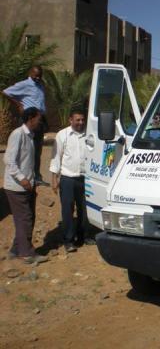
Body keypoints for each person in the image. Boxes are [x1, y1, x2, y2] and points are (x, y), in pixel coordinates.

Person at [3, 107, 49, 265]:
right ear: (30, 118)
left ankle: (16, 249)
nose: (40, 122)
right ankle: (26, 253)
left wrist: (32, 180)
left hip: (27, 185)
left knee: (27, 218)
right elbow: (9, 160)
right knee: (25, 218)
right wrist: (22, 179)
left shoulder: (30, 135)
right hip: (17, 187)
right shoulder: (18, 134)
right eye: (38, 118)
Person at [50, 109, 93, 252]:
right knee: (68, 209)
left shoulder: (89, 134)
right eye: (77, 120)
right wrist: (54, 178)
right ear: (70, 120)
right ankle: (68, 240)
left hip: (85, 178)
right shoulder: (62, 135)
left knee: (85, 208)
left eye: (82, 120)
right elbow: (56, 157)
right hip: (68, 179)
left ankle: (84, 236)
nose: (81, 122)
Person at [2, 66, 48, 185]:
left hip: (39, 120)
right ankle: (24, 175)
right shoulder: (24, 84)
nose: (37, 78)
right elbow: (6, 92)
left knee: (37, 150)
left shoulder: (40, 85)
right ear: (30, 73)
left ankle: (37, 176)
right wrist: (18, 105)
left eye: (39, 76)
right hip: (29, 120)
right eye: (35, 76)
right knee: (26, 150)